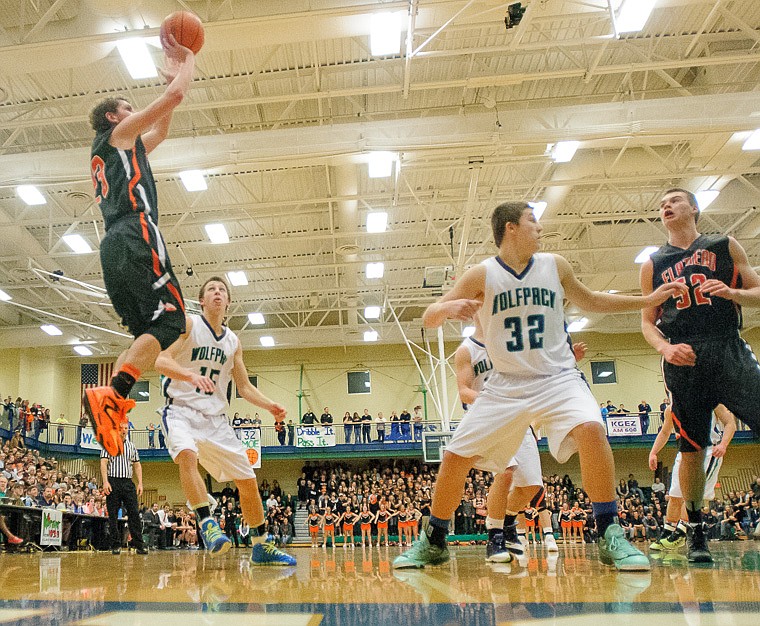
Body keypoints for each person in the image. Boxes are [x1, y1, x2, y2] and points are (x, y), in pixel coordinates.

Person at [393, 200, 684, 571]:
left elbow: (592, 300)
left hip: (558, 378)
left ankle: (611, 532)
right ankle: (434, 540)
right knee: (454, 456)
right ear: (510, 227)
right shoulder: (481, 274)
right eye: (533, 220)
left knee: (593, 428)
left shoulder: (554, 265)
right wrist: (449, 308)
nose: (540, 228)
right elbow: (428, 317)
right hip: (505, 385)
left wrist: (650, 299)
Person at [83, 34, 196, 457]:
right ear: (114, 117)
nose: (135, 112)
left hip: (113, 243)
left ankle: (111, 400)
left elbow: (162, 131)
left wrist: (169, 81)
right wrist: (185, 60)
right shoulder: (117, 135)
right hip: (136, 232)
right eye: (128, 107)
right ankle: (112, 394)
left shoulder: (119, 151)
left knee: (148, 331)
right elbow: (175, 96)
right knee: (172, 320)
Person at [640, 187, 760, 562]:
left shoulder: (725, 245)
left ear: (693, 207)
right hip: (684, 354)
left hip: (726, 345)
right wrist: (665, 348)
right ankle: (695, 532)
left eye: (674, 201)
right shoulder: (654, 263)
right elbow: (647, 323)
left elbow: (758, 291)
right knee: (692, 448)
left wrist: (733, 293)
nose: (666, 206)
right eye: (662, 204)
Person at [154, 276, 295, 565]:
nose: (217, 293)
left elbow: (243, 386)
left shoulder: (233, 341)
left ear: (228, 302)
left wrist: (271, 406)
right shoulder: (189, 325)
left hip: (216, 419)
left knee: (248, 481)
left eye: (222, 290)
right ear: (202, 300)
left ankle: (261, 545)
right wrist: (190, 376)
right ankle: (207, 522)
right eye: (211, 290)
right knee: (187, 456)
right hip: (181, 408)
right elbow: (160, 360)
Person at [648, 404, 736, 553]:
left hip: (708, 451)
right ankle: (668, 532)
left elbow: (730, 424)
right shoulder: (671, 409)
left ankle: (681, 532)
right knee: (675, 495)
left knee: (693, 495)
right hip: (684, 453)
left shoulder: (712, 402)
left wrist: (724, 444)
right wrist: (653, 452)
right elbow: (664, 432)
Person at [99, 422, 148, 555]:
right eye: (121, 428)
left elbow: (137, 465)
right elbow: (103, 463)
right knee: (113, 515)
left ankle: (139, 544)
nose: (124, 430)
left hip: (127, 482)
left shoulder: (131, 446)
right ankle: (115, 545)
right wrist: (105, 482)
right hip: (113, 481)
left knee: (134, 514)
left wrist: (140, 483)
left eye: (126, 428)